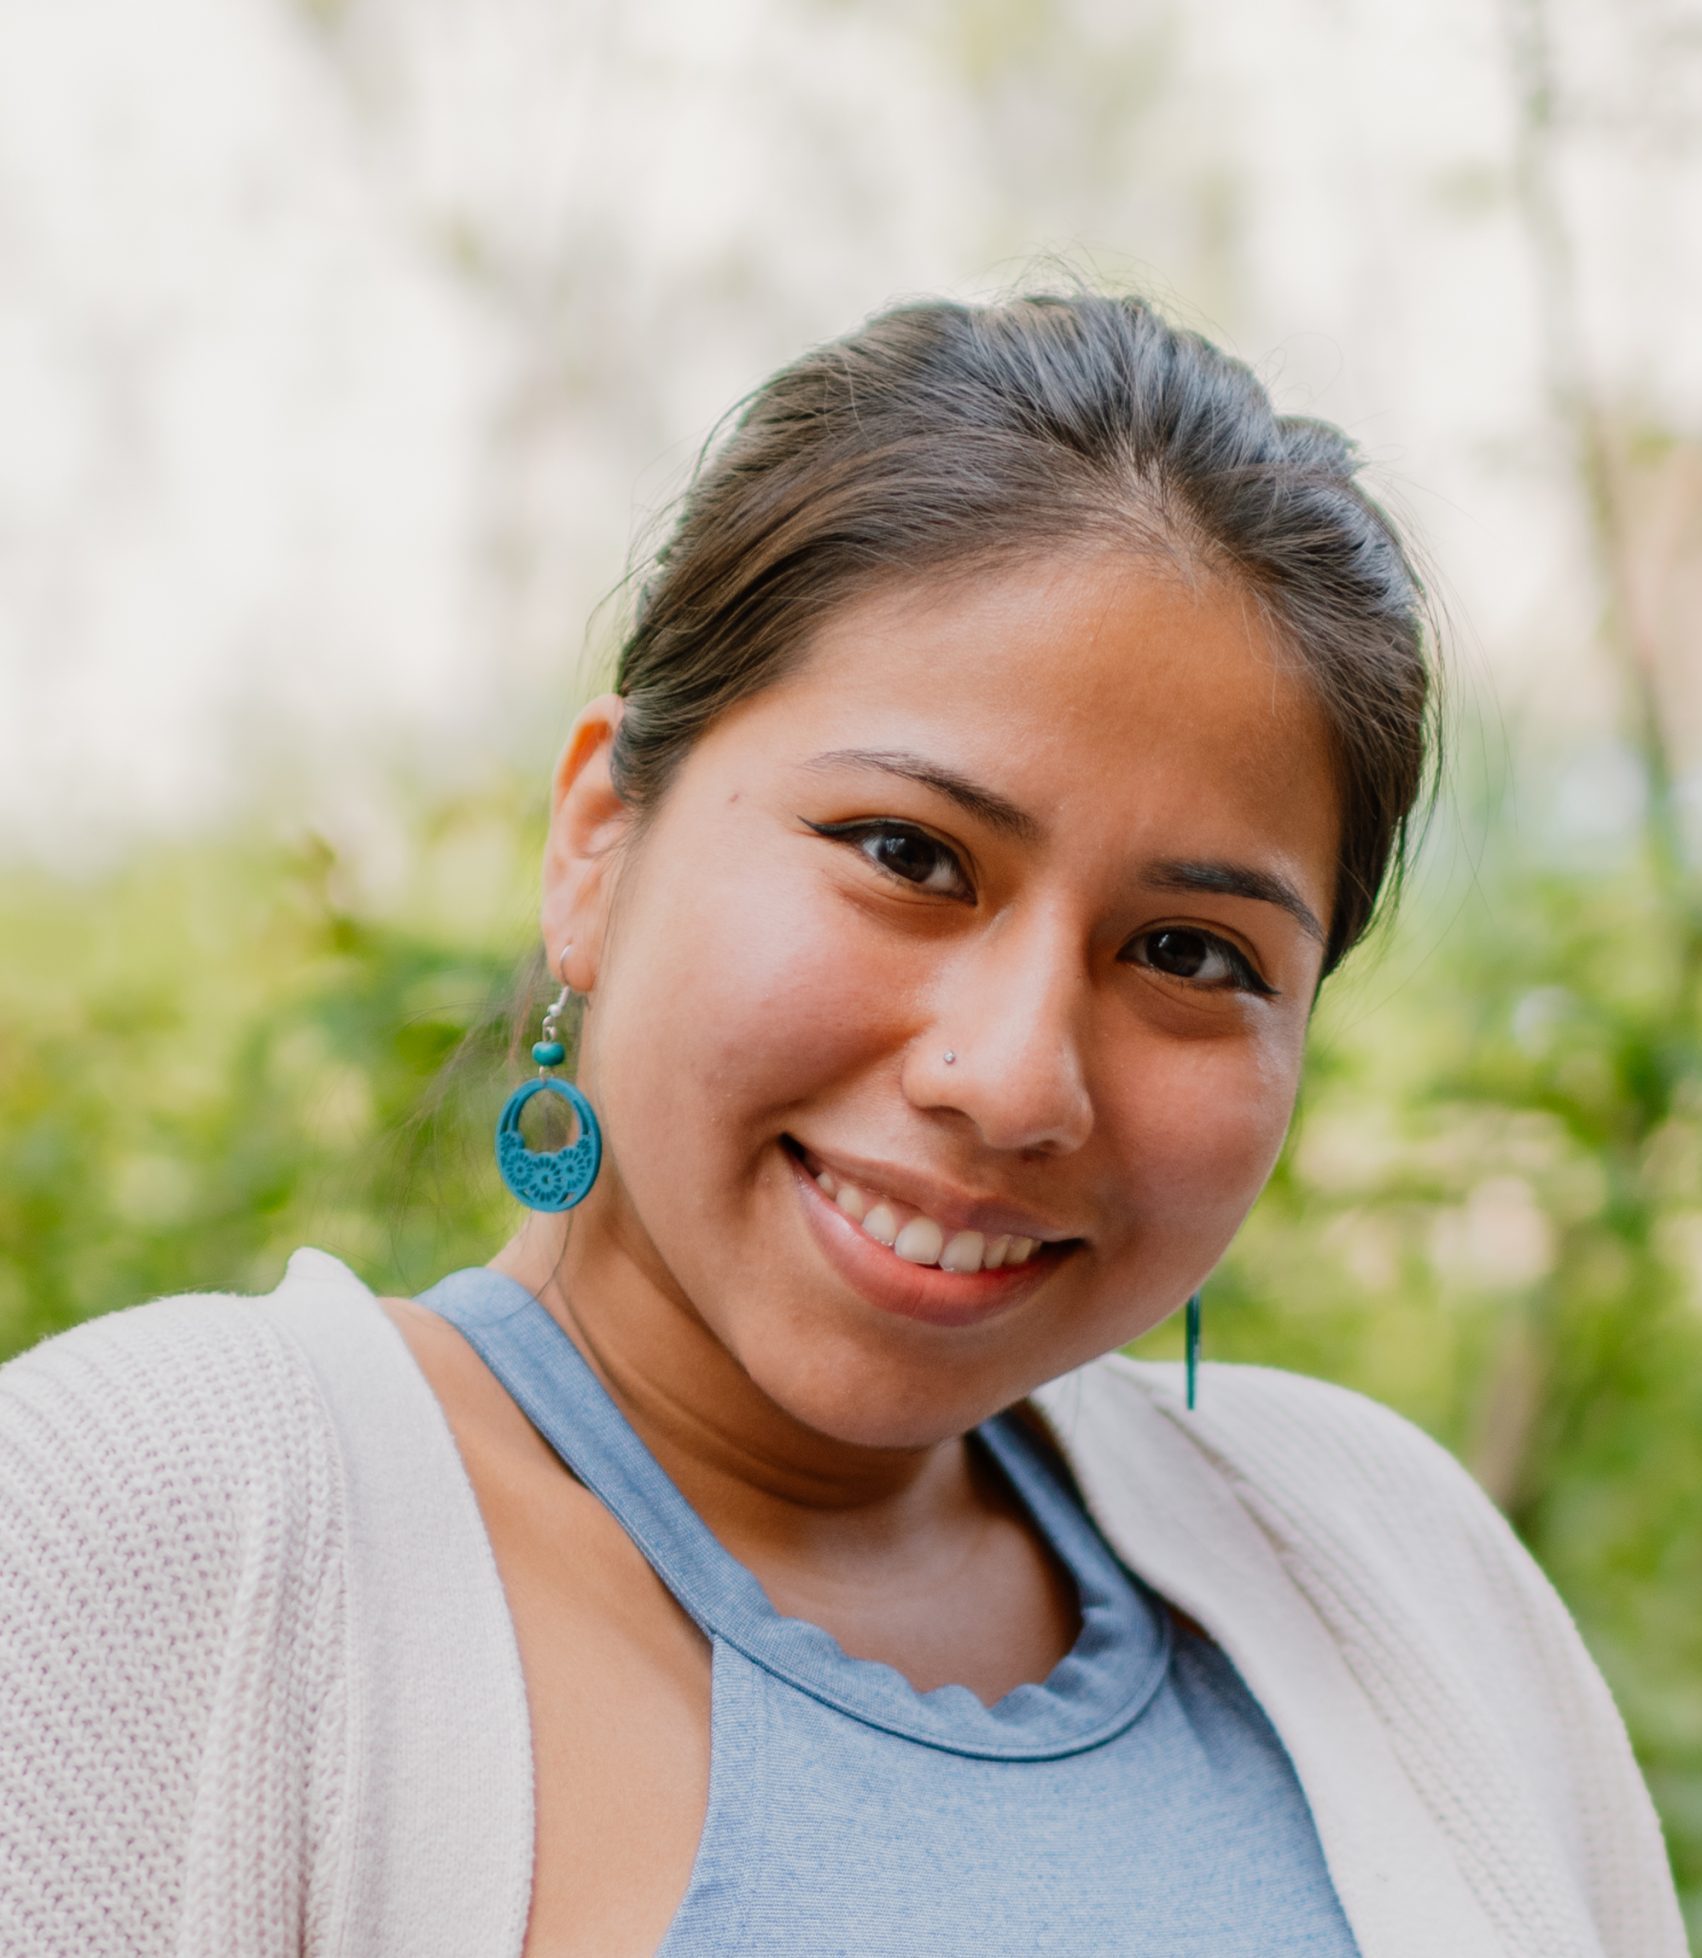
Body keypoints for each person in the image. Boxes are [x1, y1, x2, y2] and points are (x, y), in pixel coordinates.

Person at [0, 291, 1685, 1958]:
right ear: (597, 842)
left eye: (1187, 953)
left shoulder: (1396, 1565)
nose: (1015, 1077)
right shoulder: (146, 1521)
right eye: (906, 854)